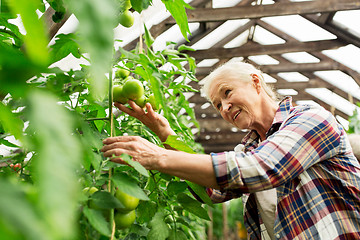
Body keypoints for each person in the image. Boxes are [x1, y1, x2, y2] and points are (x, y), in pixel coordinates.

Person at [101, 61, 360, 240]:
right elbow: (211, 192)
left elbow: (262, 168)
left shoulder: (312, 118)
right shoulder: (249, 148)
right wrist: (164, 133)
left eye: (227, 93)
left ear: (256, 83)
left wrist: (158, 156)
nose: (224, 108)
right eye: (217, 105)